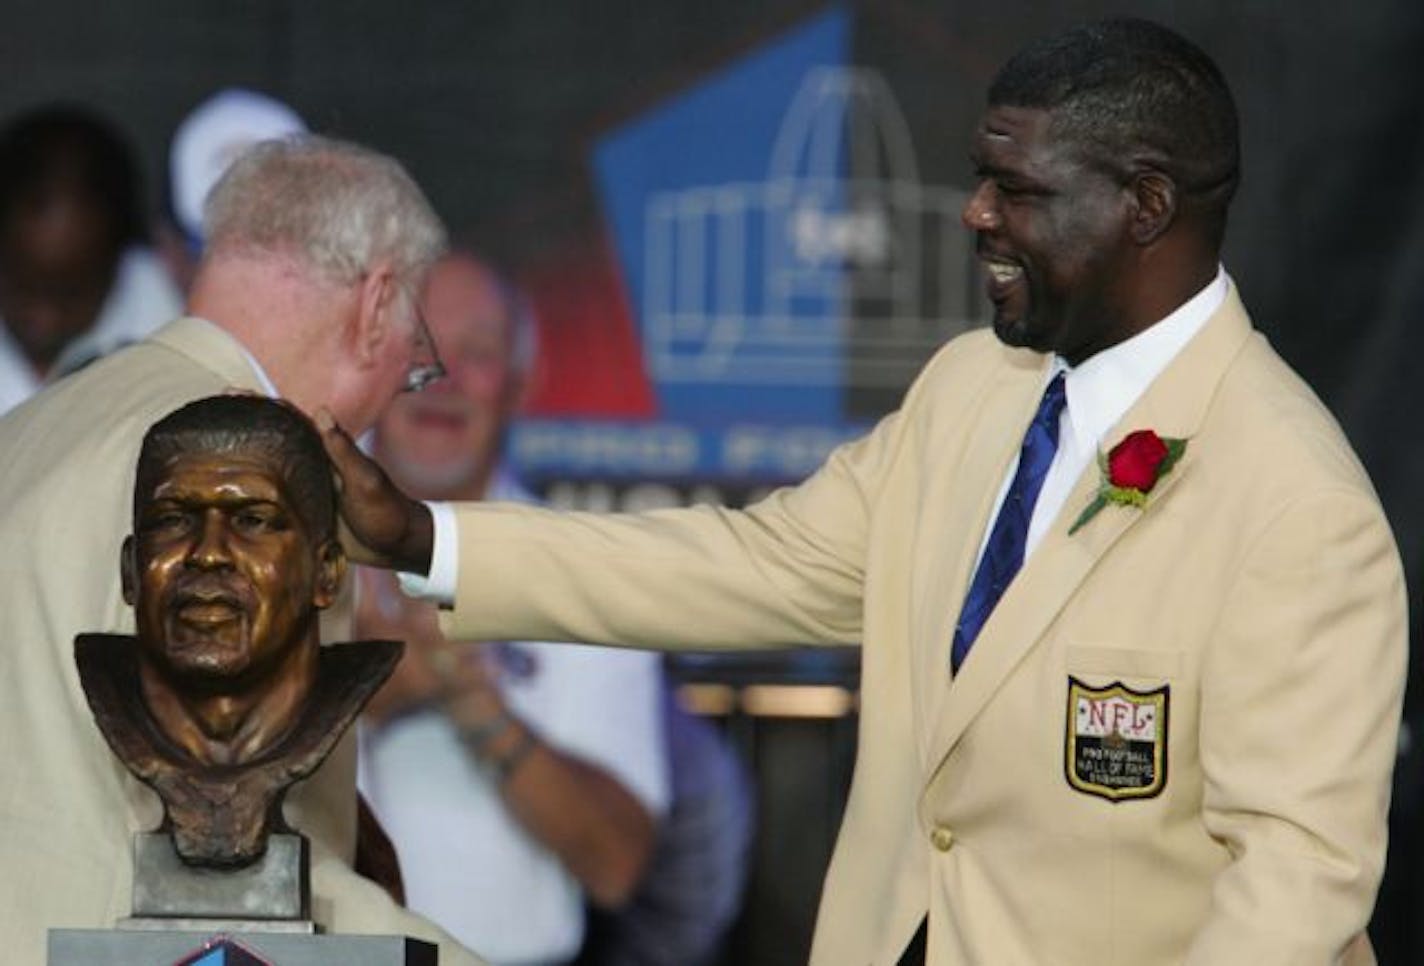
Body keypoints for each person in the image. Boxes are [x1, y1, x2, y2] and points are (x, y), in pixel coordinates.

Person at [321, 18, 1407, 966]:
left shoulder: (1296, 506)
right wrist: (421, 537)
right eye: (981, 178)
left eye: (1015, 189)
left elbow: (1289, 894)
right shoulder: (970, 389)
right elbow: (757, 567)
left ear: (1145, 205)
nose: (974, 214)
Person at [0, 135, 485, 965]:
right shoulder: (275, 491)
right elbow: (279, 904)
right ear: (374, 309)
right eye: (412, 370)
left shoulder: (25, 432)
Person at [354, 252, 670, 964]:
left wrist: (475, 702)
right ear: (372, 368)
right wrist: (372, 682)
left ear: (522, 387)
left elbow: (617, 866)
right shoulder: (281, 537)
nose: (448, 380)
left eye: (481, 355)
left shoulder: (586, 568)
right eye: (422, 349)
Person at [78, 395, 396, 868]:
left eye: (253, 520)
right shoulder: (107, 687)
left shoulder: (343, 688)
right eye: (172, 519)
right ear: (130, 571)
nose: (208, 553)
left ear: (326, 573)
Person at [0, 104, 182, 411]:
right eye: (20, 289)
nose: (44, 320)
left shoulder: (177, 324)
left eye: (69, 296)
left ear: (120, 262)